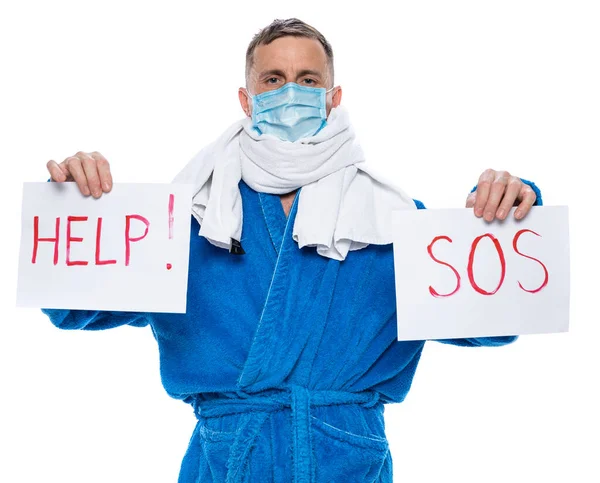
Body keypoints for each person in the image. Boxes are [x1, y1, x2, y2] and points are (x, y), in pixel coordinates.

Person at [42, 18, 541, 483]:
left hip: (347, 461)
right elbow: (73, 307)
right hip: (227, 461)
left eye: (307, 80)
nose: (290, 93)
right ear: (246, 97)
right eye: (273, 79)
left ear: (332, 97)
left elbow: (493, 324)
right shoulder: (193, 215)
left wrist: (511, 213)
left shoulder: (387, 217)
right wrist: (73, 206)